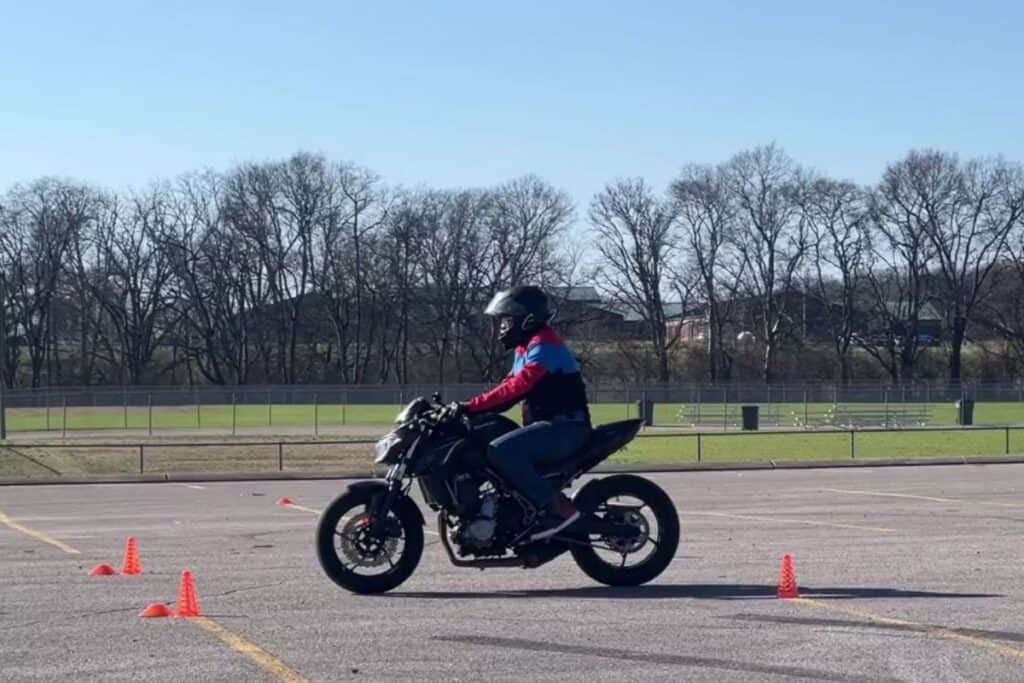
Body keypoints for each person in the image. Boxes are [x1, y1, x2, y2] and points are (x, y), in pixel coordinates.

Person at [449, 285, 593, 543]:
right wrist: (466, 409)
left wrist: (469, 406)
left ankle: (556, 510)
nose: (503, 326)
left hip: (565, 429)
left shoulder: (544, 344)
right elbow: (506, 390)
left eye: (507, 319)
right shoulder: (524, 349)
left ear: (527, 318)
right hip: (548, 428)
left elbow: (519, 386)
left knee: (502, 450)